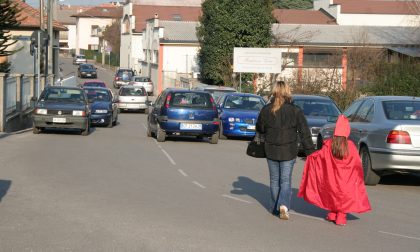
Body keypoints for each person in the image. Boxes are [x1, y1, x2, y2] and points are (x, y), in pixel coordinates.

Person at [298, 115, 371, 226]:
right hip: (346, 179)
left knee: (333, 194)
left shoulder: (329, 145)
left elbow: (320, 157)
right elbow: (356, 163)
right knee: (343, 197)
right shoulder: (350, 146)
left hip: (332, 179)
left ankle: (333, 213)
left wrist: (310, 157)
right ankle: (341, 216)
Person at [256, 81, 315, 220]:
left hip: (271, 149)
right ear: (288, 92)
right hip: (288, 150)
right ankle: (283, 205)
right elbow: (304, 132)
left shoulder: (266, 110)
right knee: (285, 181)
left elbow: (260, 128)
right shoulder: (295, 111)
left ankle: (275, 208)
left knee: (274, 180)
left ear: (274, 91)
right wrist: (310, 152)